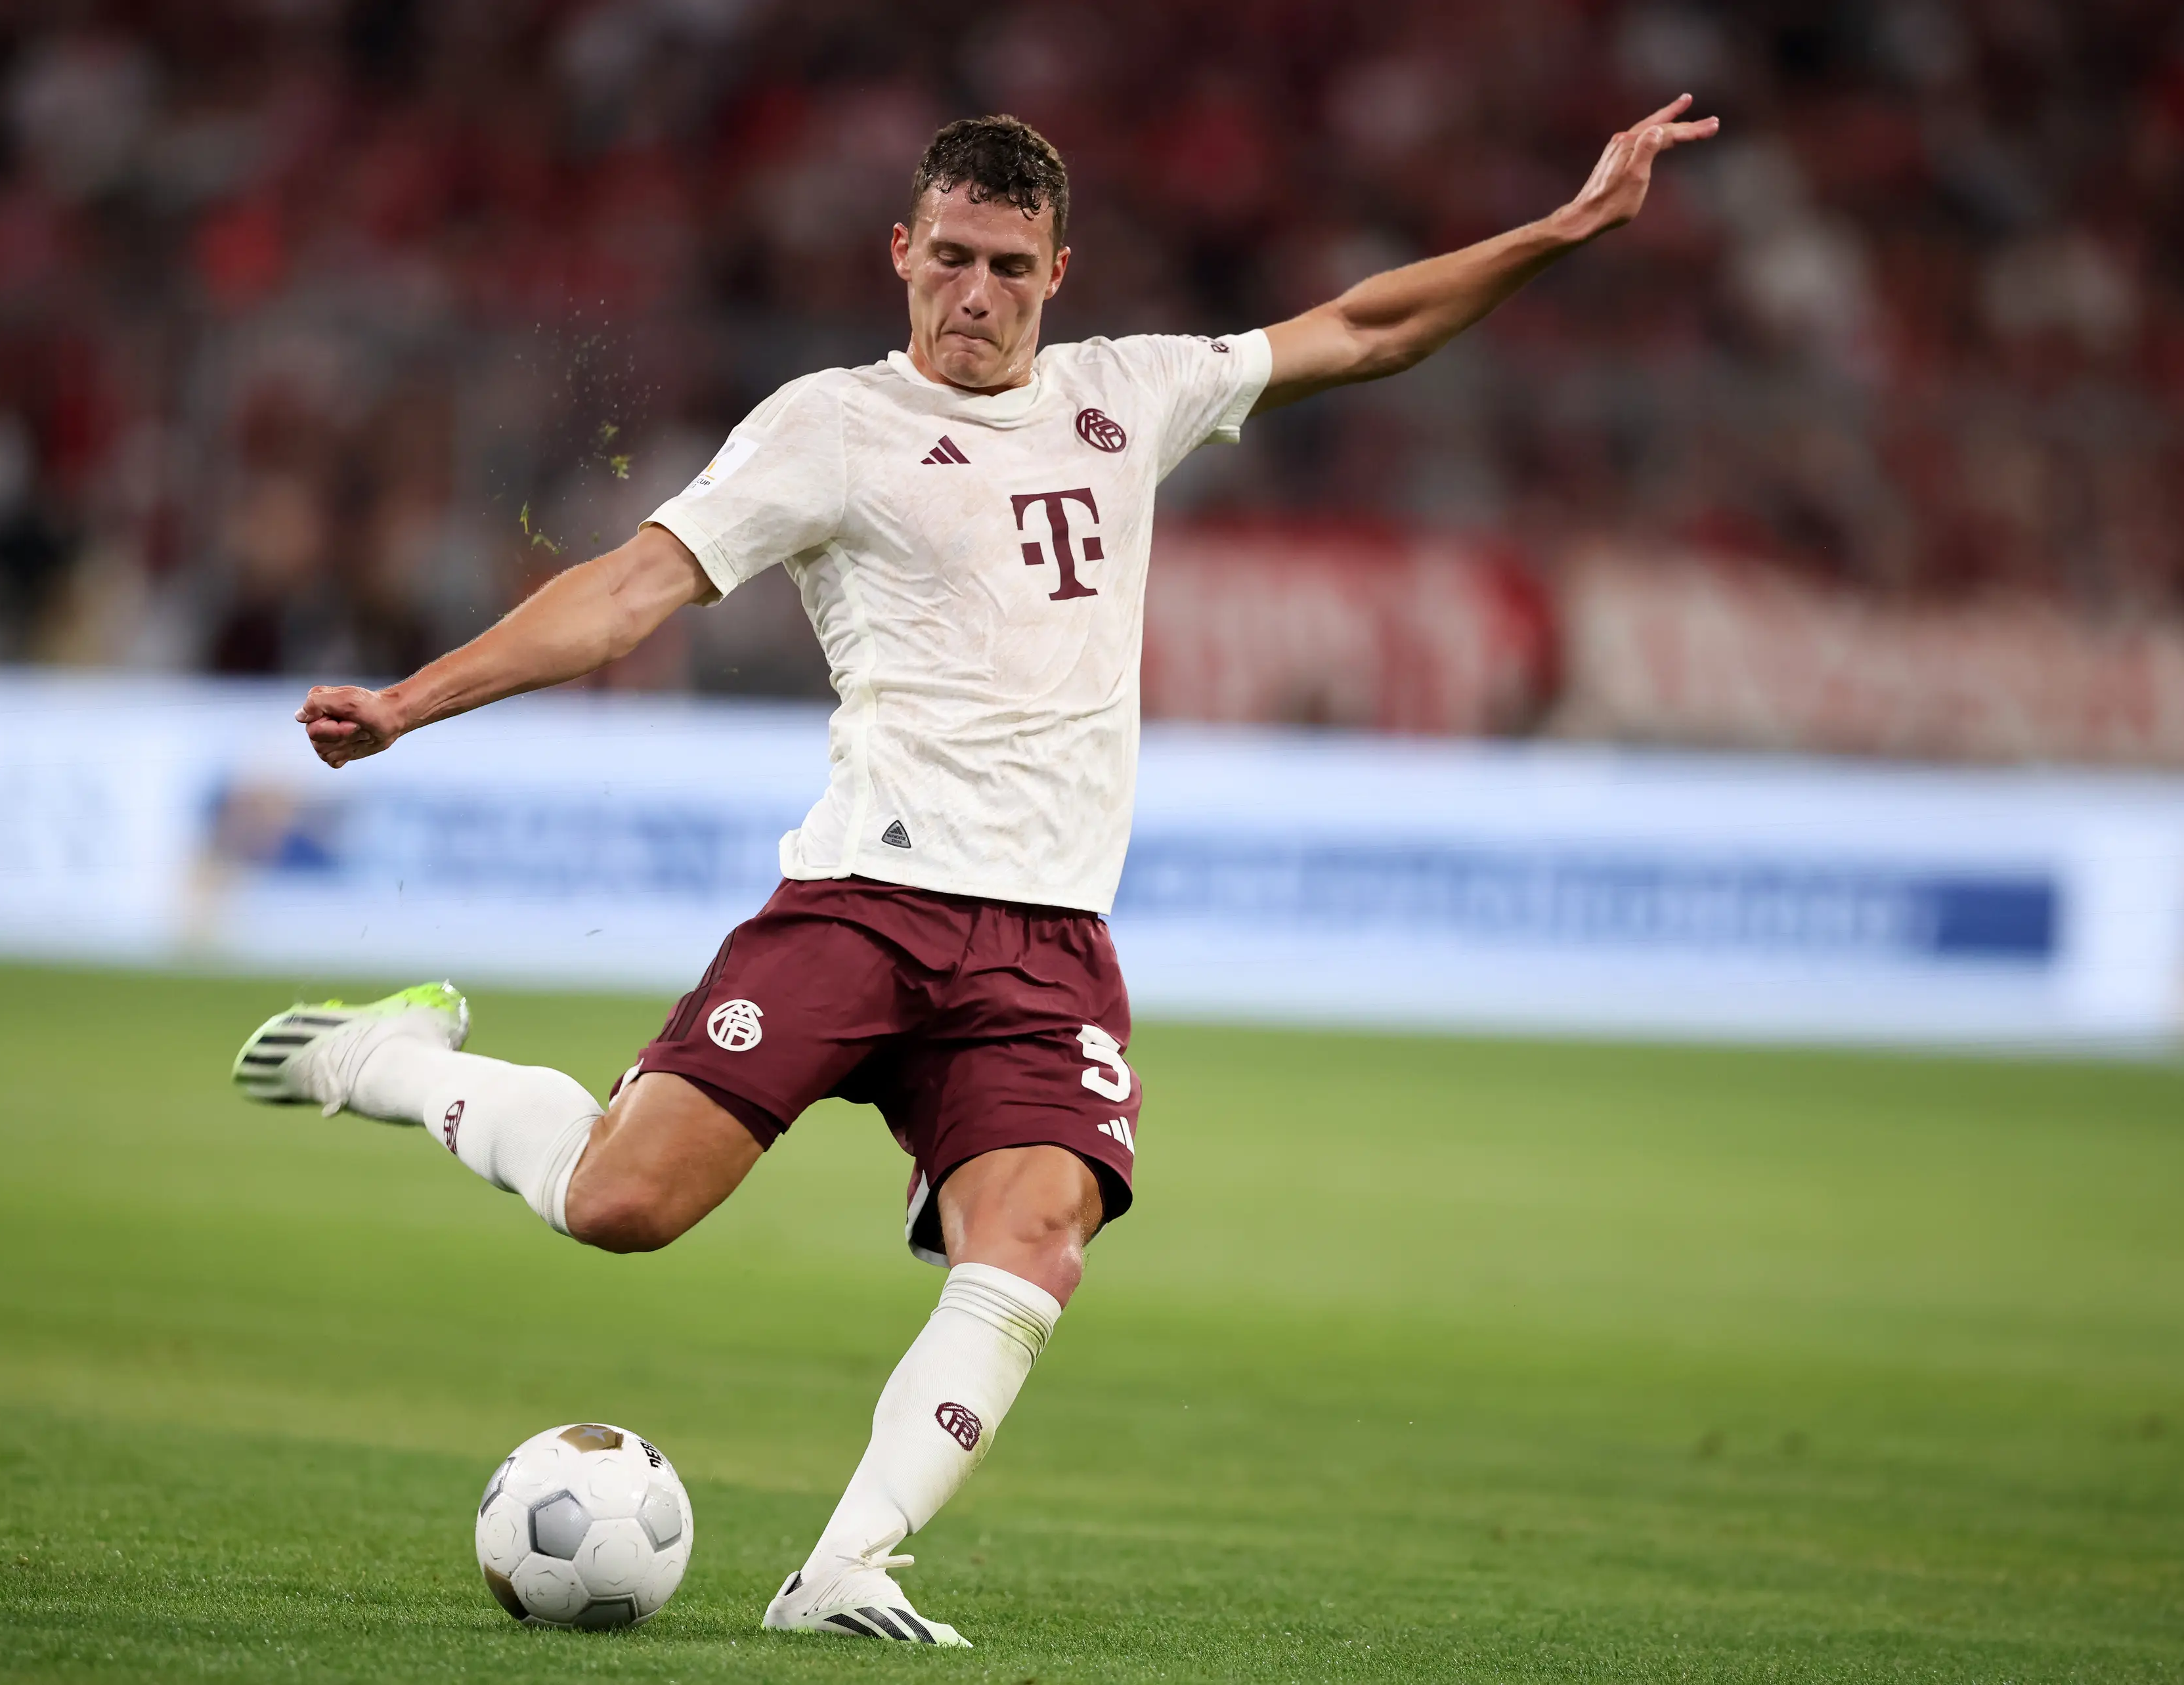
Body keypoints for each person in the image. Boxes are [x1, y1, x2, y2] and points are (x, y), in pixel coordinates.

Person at [230, 99, 1716, 1646]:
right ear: (902, 252)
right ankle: (394, 1058)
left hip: (1047, 941)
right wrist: (411, 701)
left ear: (1058, 272)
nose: (976, 293)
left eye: (1010, 265)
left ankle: (845, 1566)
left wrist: (1558, 231)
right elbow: (627, 592)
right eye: (950, 257)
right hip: (864, 903)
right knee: (621, 1203)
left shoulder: (1129, 396)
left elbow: (1368, 327)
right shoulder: (831, 425)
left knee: (1037, 1239)